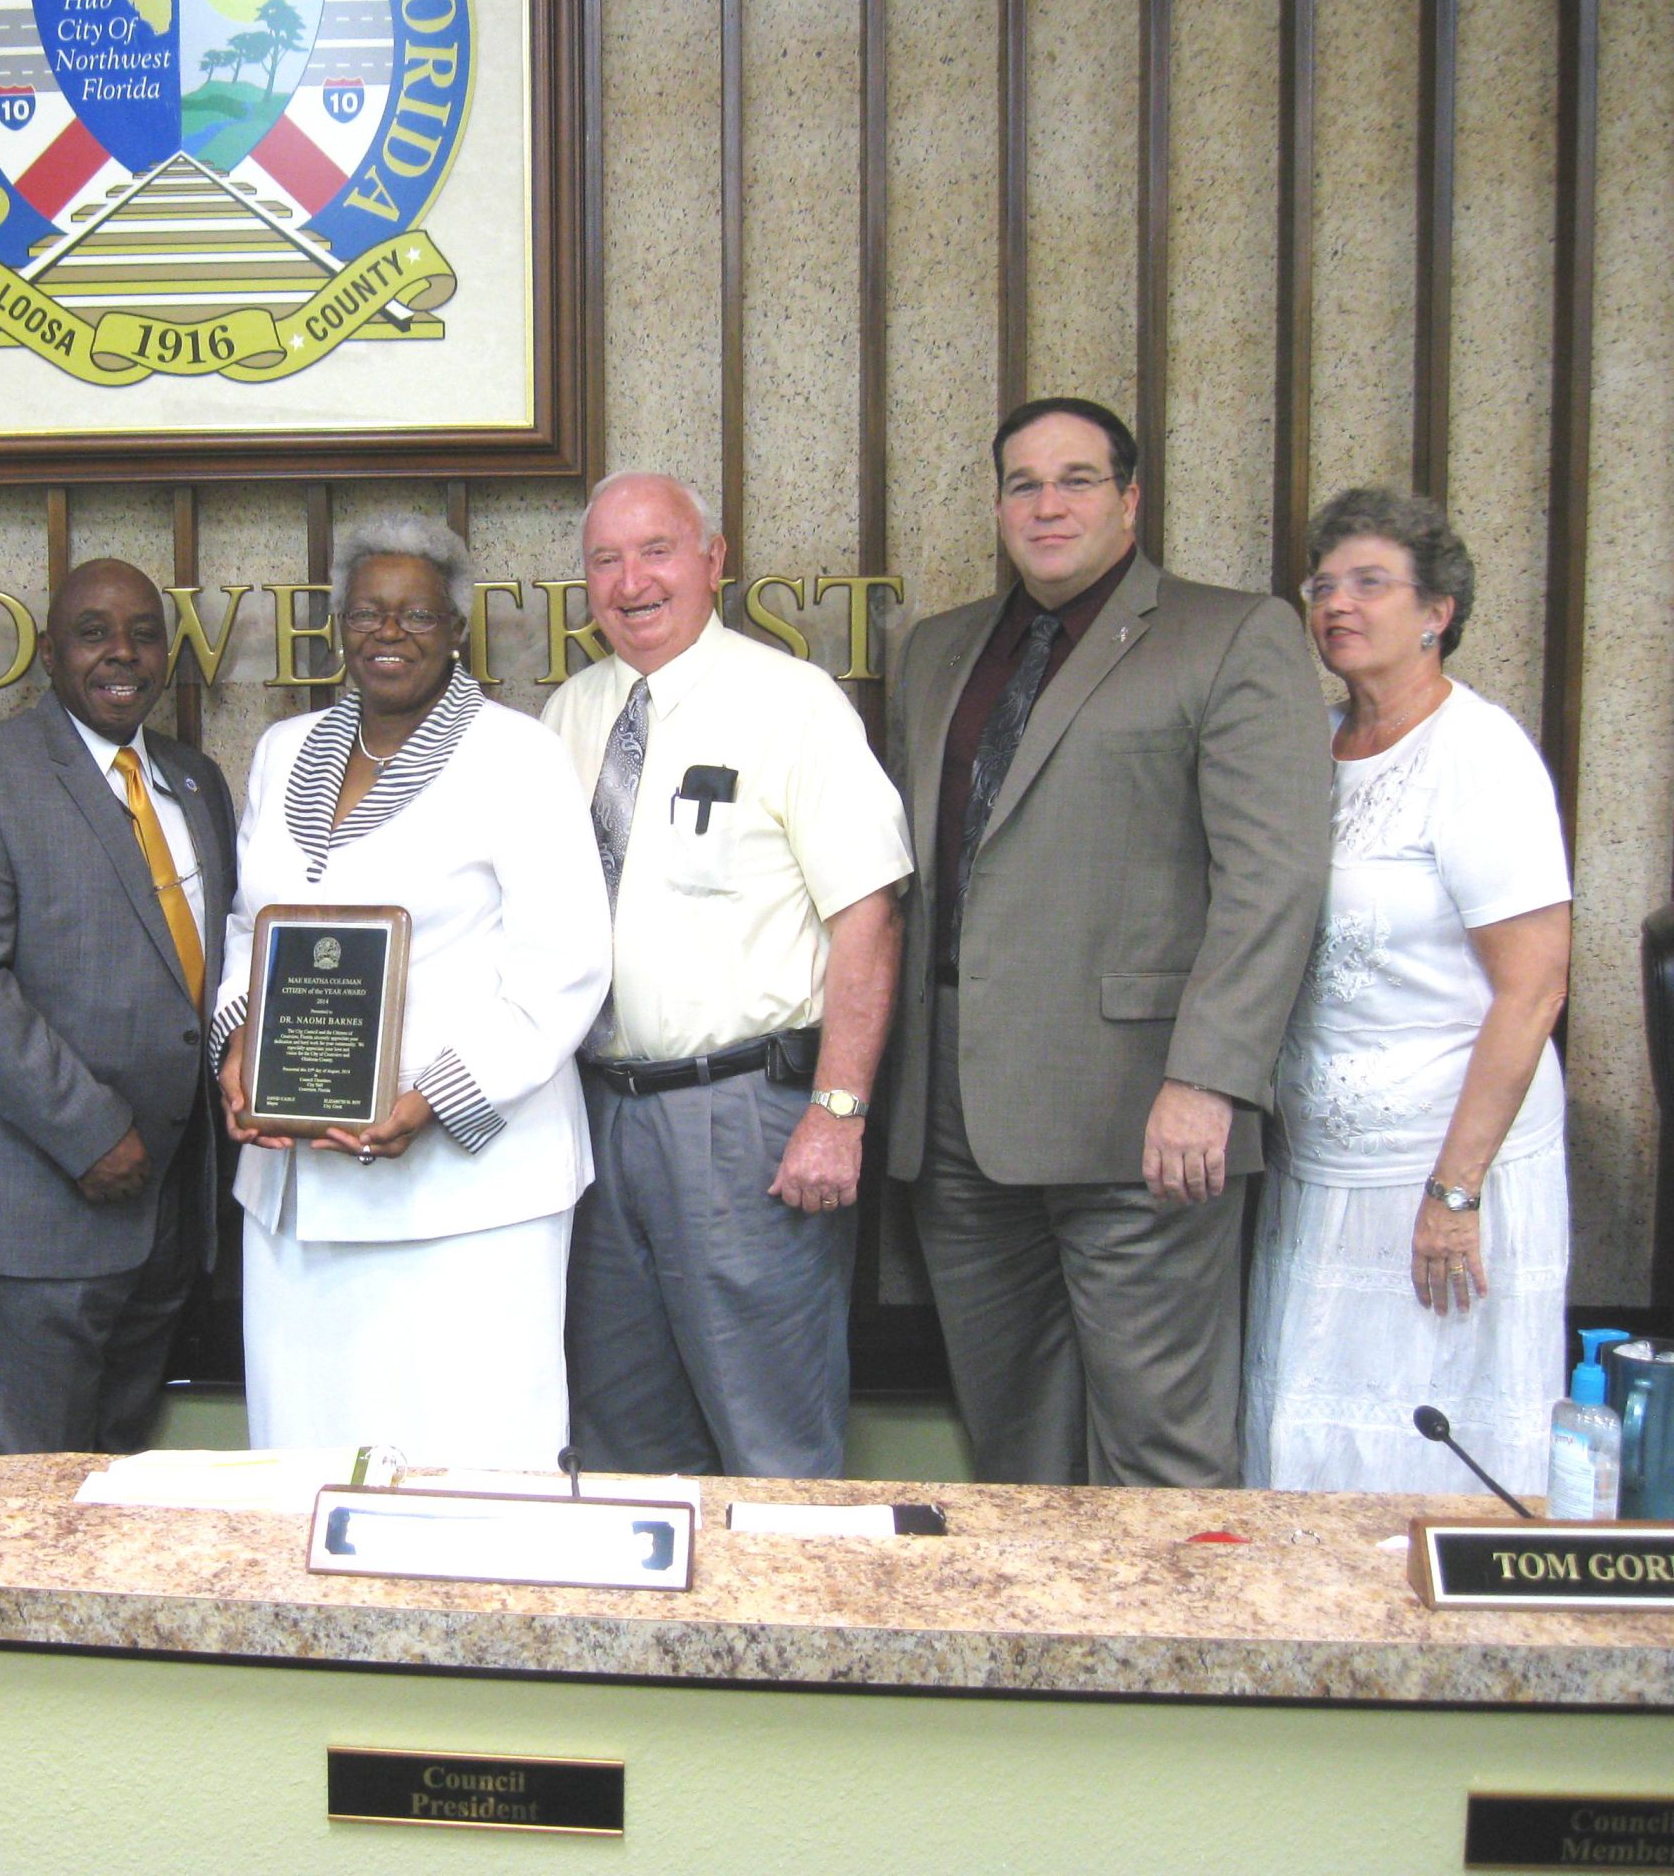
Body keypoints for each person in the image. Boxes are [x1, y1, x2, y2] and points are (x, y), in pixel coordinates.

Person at [882, 398, 1331, 1488]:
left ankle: (1176, 1657)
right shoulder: (938, 650)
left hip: (1143, 1119)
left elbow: (1272, 878)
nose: (1046, 505)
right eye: (1023, 483)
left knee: (1159, 1445)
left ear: (1129, 500)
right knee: (1013, 1443)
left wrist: (1209, 1080)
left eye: (1075, 479)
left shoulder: (1230, 633)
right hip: (952, 1123)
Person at [212, 515, 609, 1470]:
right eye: (368, 613)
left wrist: (429, 1100)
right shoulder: (283, 749)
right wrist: (237, 1046)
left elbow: (566, 964)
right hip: (299, 1186)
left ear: (457, 629)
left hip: (467, 1199)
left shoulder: (516, 755)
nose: (389, 634)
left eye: (417, 615)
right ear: (340, 625)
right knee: (307, 1473)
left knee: (467, 1479)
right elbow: (246, 923)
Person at [543, 472, 910, 1478]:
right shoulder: (568, 716)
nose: (630, 581)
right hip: (595, 1119)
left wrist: (837, 1110)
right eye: (605, 560)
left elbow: (868, 913)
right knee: (617, 1441)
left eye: (656, 550)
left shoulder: (791, 704)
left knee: (770, 1443)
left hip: (743, 1119)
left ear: (713, 559)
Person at [1244, 489, 1571, 1496]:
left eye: (1370, 583)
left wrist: (1454, 1190)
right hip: (1319, 1174)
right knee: (1309, 1446)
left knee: (1431, 1461)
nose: (1338, 603)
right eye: (1322, 585)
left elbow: (1534, 987)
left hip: (1445, 1177)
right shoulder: (1309, 752)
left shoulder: (1478, 753)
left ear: (1438, 611)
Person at [0, 559, 237, 1454]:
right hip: (41, 1204)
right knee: (32, 1496)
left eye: (141, 632)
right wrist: (89, 1131)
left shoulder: (195, 778)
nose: (120, 652)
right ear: (49, 653)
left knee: (118, 1485)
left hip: (169, 1208)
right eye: (93, 632)